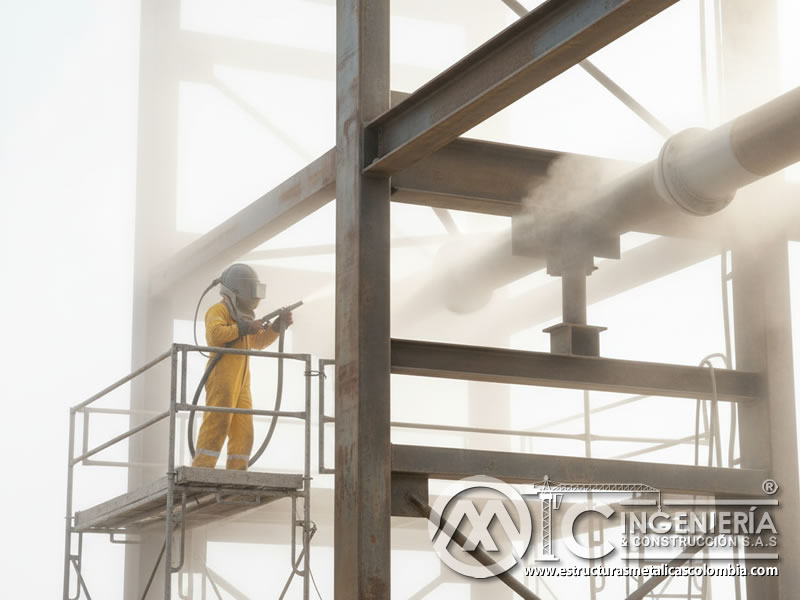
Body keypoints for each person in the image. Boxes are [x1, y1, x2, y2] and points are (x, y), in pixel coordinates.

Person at [192, 263, 293, 470]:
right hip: (221, 377)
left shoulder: (241, 317)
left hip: (242, 382)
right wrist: (245, 327)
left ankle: (237, 472)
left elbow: (257, 343)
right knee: (216, 424)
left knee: (244, 430)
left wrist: (275, 327)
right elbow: (215, 335)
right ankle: (202, 469)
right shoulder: (218, 310)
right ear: (237, 292)